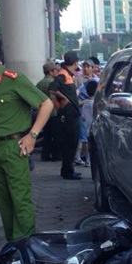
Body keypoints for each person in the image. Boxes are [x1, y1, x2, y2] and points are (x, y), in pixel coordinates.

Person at [0, 36, 53, 241]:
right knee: (3, 200)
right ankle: (12, 246)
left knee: (20, 199)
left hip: (14, 148)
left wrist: (32, 135)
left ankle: (24, 247)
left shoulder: (14, 80)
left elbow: (47, 104)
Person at [50, 51, 82, 180]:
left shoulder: (67, 75)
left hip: (71, 112)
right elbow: (52, 88)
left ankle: (68, 169)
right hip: (68, 113)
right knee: (70, 142)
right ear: (75, 63)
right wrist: (64, 99)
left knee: (72, 142)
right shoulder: (63, 75)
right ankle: (68, 171)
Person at [36, 60, 62, 162]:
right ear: (51, 71)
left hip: (42, 112)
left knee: (47, 135)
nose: (57, 72)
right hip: (52, 113)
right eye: (55, 70)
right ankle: (56, 155)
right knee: (56, 135)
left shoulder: (39, 83)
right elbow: (53, 99)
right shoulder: (51, 83)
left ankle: (45, 155)